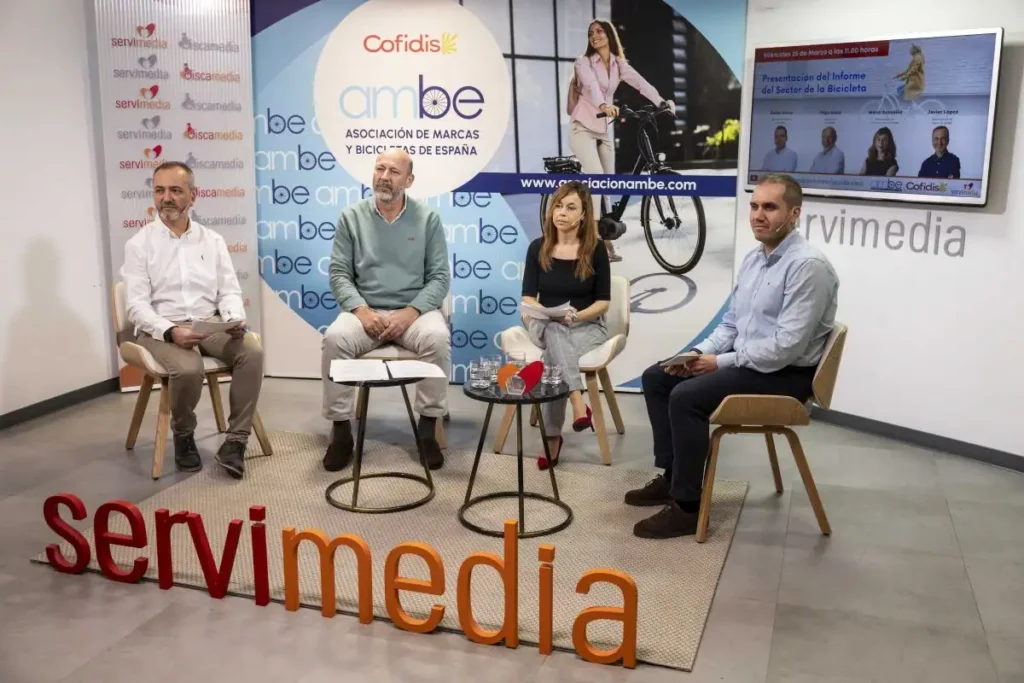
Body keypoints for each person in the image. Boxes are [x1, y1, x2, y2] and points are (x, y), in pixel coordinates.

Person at [629, 174, 839, 539]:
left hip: (787, 376)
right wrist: (698, 354)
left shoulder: (809, 267)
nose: (758, 215)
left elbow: (784, 348)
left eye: (770, 207)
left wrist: (718, 363)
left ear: (794, 214)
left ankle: (688, 507)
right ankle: (673, 474)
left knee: (686, 398)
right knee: (658, 377)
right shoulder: (755, 259)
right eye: (755, 206)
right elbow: (730, 326)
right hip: (753, 362)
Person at [122, 161, 263, 479]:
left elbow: (228, 291)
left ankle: (236, 442)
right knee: (188, 367)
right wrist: (171, 331)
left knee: (251, 351)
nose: (166, 198)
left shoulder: (211, 241)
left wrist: (233, 318)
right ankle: (184, 436)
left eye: (175, 190)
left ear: (193, 196)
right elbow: (136, 307)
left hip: (208, 323)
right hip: (160, 329)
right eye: (159, 190)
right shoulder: (139, 245)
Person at [321, 149, 451, 472]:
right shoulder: (351, 217)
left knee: (437, 338)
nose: (384, 176)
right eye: (380, 168)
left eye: (394, 171)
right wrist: (361, 311)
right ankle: (340, 433)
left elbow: (439, 277)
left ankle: (427, 430)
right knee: (335, 338)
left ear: (409, 180)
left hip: (413, 313)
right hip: (366, 312)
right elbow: (339, 274)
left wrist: (412, 311)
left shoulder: (428, 219)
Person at [514, 181, 611, 470]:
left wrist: (575, 316)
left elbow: (603, 302)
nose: (562, 213)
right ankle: (578, 403)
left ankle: (552, 437)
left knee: (554, 361)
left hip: (585, 325)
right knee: (555, 330)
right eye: (558, 205)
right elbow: (528, 297)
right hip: (544, 323)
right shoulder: (538, 248)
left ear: (583, 215)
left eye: (571, 207)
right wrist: (547, 312)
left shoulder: (595, 250)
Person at [568, 18, 674, 263]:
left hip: (603, 130)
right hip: (582, 127)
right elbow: (593, 86)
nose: (594, 36)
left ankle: (607, 244)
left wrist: (660, 101)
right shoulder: (583, 63)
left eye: (599, 31)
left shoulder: (618, 64)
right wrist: (604, 104)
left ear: (609, 35)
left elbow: (639, 82)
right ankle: (593, 245)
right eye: (591, 32)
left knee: (606, 188)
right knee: (597, 179)